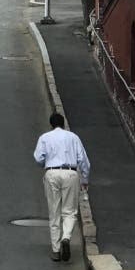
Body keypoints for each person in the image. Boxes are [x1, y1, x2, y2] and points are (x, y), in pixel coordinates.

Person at [32, 111, 90, 262]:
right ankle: (66, 237)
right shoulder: (73, 137)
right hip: (71, 173)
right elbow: (83, 160)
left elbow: (38, 158)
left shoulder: (44, 138)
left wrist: (48, 162)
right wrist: (84, 179)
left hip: (52, 173)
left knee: (54, 212)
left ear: (51, 124)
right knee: (69, 212)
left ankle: (56, 250)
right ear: (63, 123)